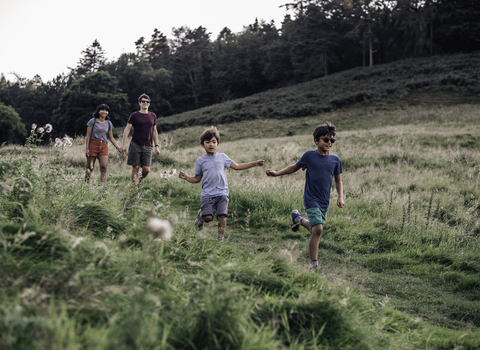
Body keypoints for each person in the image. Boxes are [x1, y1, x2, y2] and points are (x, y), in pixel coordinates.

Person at [266, 122, 344, 272]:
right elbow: (294, 167)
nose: (329, 143)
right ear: (316, 140)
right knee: (318, 230)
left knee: (316, 230)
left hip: (324, 201)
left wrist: (340, 197)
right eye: (325, 140)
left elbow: (338, 180)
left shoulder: (335, 160)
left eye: (332, 140)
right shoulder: (309, 156)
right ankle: (313, 264)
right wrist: (277, 173)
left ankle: (298, 219)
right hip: (311, 198)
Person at [179, 126, 265, 241]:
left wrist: (254, 163)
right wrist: (186, 177)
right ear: (202, 145)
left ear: (218, 144)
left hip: (222, 192)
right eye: (207, 142)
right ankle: (201, 216)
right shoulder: (200, 161)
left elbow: (238, 166)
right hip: (207, 194)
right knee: (208, 218)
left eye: (214, 142)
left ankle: (220, 239)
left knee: (222, 216)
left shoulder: (222, 157)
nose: (211, 144)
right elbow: (197, 179)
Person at [119, 93, 161, 185]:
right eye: (143, 101)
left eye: (147, 101)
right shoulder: (134, 115)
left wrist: (156, 146)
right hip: (135, 144)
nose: (145, 103)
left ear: (149, 103)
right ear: (139, 103)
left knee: (146, 169)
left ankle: (139, 181)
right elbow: (127, 129)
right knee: (136, 167)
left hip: (148, 145)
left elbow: (154, 131)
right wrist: (123, 144)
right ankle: (135, 189)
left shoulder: (153, 116)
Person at [85, 104, 121, 184]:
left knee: (104, 167)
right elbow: (88, 136)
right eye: (102, 110)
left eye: (106, 110)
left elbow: (111, 138)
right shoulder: (92, 121)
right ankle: (86, 185)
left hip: (104, 146)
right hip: (93, 145)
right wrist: (87, 148)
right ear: (98, 111)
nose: (104, 112)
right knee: (90, 167)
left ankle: (103, 188)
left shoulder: (108, 123)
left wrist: (117, 147)